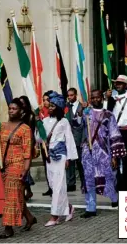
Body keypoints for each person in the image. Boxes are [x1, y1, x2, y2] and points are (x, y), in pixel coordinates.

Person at [81, 90, 126, 218]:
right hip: (87, 151)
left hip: (104, 151)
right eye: (93, 97)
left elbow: (114, 134)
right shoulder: (86, 113)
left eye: (97, 97)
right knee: (88, 178)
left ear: (101, 98)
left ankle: (113, 198)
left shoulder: (109, 115)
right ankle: (90, 208)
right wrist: (80, 114)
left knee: (109, 176)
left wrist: (115, 156)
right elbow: (77, 126)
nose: (95, 99)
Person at [0, 98, 36, 239]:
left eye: (14, 109)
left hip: (17, 165)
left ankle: (8, 227)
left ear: (21, 111)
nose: (11, 111)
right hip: (4, 165)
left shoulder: (25, 129)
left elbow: (27, 152)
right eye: (10, 108)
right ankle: (30, 218)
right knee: (15, 195)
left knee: (11, 197)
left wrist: (25, 170)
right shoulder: (3, 126)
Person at [37, 91, 77, 226]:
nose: (50, 108)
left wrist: (69, 159)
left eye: (53, 106)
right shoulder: (44, 120)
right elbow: (39, 139)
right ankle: (68, 208)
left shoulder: (64, 121)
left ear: (59, 108)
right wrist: (38, 127)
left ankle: (54, 216)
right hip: (49, 156)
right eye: (50, 106)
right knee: (54, 186)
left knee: (59, 185)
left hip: (60, 155)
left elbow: (69, 140)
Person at [65, 88, 85, 192]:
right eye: (68, 95)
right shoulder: (66, 107)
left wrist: (83, 140)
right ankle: (71, 184)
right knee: (70, 162)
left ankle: (84, 184)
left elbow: (84, 125)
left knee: (81, 163)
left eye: (72, 95)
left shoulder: (82, 106)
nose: (70, 97)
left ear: (76, 95)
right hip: (69, 138)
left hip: (79, 138)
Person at [19, 95, 36, 201]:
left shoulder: (30, 116)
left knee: (25, 167)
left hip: (27, 142)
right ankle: (27, 190)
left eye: (23, 102)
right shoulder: (19, 114)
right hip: (19, 143)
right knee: (21, 167)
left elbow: (30, 130)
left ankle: (27, 190)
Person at [39, 91, 53, 196]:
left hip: (53, 142)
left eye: (47, 100)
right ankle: (50, 186)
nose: (45, 102)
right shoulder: (41, 112)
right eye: (43, 100)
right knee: (46, 164)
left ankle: (55, 186)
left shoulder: (53, 111)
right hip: (43, 142)